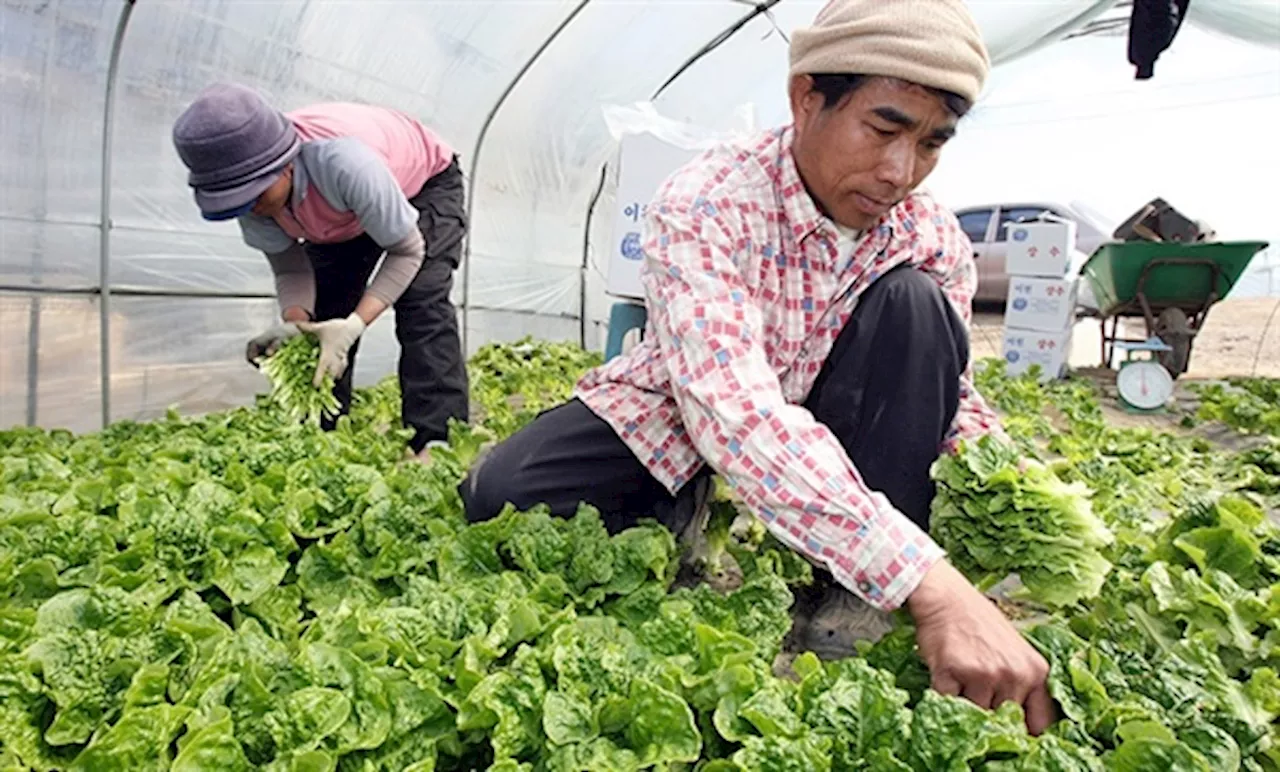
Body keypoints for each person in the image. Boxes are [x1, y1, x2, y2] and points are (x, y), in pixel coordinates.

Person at [460, 0, 1056, 733]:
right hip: (690, 406)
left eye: (932, 143)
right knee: (502, 495)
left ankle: (847, 593)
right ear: (807, 98)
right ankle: (678, 512)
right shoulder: (709, 200)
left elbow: (949, 396)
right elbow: (732, 412)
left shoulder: (927, 232)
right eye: (884, 128)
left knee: (916, 306)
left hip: (837, 428)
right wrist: (932, 582)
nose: (902, 171)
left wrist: (1005, 480)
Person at [171, 84, 469, 460]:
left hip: (424, 185)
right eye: (236, 203)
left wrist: (355, 326)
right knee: (327, 309)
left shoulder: (345, 165)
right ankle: (323, 433)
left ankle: (437, 440)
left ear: (283, 165)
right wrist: (298, 325)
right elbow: (291, 269)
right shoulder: (253, 202)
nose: (250, 209)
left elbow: (406, 251)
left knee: (421, 301)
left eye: (256, 195)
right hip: (340, 211)